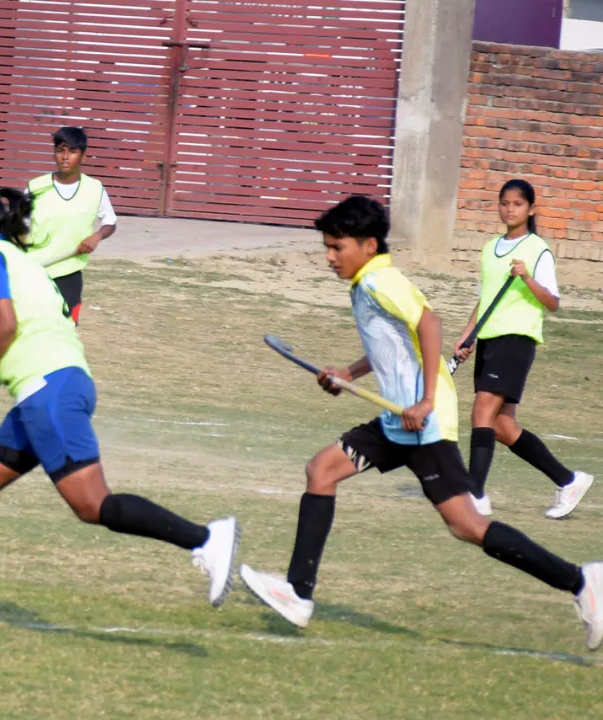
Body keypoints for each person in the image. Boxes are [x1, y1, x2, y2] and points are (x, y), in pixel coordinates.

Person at [238, 195, 603, 650]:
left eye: (337, 247)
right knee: (322, 470)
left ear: (369, 245)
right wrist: (348, 373)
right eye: (327, 246)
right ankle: (298, 594)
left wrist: (427, 400)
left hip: (423, 421)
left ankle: (581, 582)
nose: (330, 256)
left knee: (467, 525)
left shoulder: (380, 280)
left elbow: (429, 324)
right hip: (398, 417)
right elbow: (392, 345)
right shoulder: (366, 282)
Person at [0, 188, 238, 633]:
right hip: (58, 385)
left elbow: (5, 328)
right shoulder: (20, 260)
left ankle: (206, 538)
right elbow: (6, 347)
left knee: (91, 504)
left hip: (47, 390)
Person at [0, 126, 117, 433]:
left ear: (83, 155)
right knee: (10, 337)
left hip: (68, 278)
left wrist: (97, 236)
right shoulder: (37, 188)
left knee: (55, 347)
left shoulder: (95, 190)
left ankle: (45, 412)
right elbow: (19, 228)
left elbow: (110, 221)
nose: (65, 157)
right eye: (60, 150)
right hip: (33, 275)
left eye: (72, 151)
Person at [453, 180, 592, 519]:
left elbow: (553, 302)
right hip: (490, 339)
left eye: (517, 204)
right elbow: (484, 300)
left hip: (517, 339)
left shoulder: (537, 249)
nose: (510, 209)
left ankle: (476, 494)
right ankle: (569, 481)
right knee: (502, 427)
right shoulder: (490, 248)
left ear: (531, 209)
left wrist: (527, 277)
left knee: (481, 412)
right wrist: (467, 336)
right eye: (504, 203)